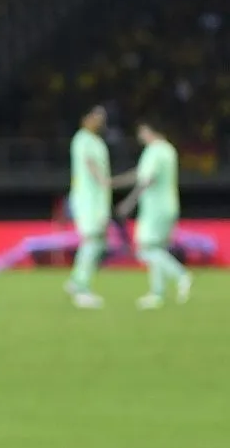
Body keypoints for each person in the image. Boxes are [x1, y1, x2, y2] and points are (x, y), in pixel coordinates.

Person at [115, 121, 192, 309]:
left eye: (141, 131)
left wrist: (129, 202)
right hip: (169, 205)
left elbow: (147, 179)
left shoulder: (154, 150)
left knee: (145, 249)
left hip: (155, 208)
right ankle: (157, 293)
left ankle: (181, 275)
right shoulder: (168, 150)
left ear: (149, 131)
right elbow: (140, 174)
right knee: (157, 249)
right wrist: (114, 182)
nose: (140, 136)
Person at [64, 105, 111, 308]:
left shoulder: (97, 141)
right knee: (92, 240)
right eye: (95, 117)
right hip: (87, 199)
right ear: (86, 118)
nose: (99, 121)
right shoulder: (82, 139)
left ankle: (76, 281)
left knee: (97, 241)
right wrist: (102, 180)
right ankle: (82, 289)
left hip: (99, 199)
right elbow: (90, 163)